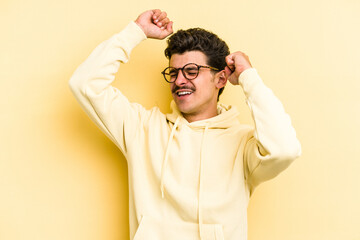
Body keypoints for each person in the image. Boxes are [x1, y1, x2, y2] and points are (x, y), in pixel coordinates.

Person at [69, 9, 301, 240]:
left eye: (191, 71)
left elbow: (285, 149)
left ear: (220, 79)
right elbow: (85, 83)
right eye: (174, 72)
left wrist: (249, 77)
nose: (180, 80)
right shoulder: (142, 129)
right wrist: (135, 32)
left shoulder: (242, 144)